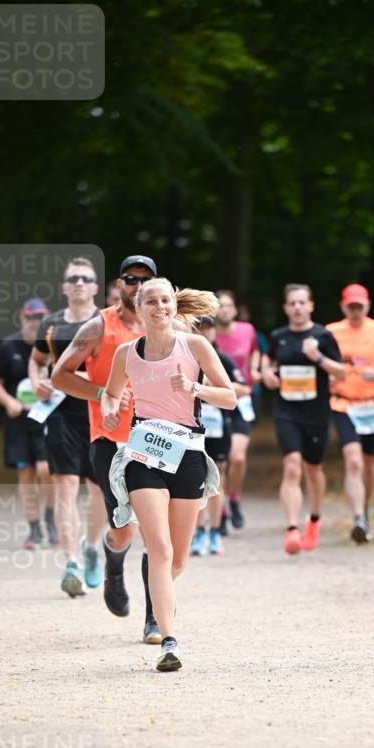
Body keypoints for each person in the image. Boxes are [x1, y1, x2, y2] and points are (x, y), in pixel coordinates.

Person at [101, 279, 236, 672]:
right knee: (158, 549)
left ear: (174, 307)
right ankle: (169, 641)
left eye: (165, 301)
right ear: (138, 310)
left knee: (176, 559)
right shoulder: (126, 353)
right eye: (151, 302)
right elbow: (110, 393)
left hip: (188, 456)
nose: (159, 307)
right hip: (144, 454)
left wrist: (195, 388)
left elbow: (229, 395)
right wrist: (112, 408)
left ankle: (160, 604)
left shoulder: (194, 347)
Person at [51, 255, 162, 644]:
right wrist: (103, 393)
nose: (137, 285)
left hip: (158, 441)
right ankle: (113, 562)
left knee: (155, 530)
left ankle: (154, 618)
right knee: (124, 529)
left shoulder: (168, 325)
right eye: (130, 279)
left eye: (145, 279)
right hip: (110, 441)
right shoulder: (99, 325)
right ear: (119, 285)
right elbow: (60, 374)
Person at [28, 257, 107, 596]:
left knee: (99, 489)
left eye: (85, 278)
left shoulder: (106, 322)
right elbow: (37, 362)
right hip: (60, 415)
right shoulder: (50, 325)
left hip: (99, 413)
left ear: (94, 287)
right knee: (64, 485)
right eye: (72, 278)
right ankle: (71, 561)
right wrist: (37, 382)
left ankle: (91, 547)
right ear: (64, 287)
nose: (78, 282)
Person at [262, 284, 344, 555]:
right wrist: (268, 374)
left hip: (316, 412)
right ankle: (292, 529)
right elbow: (268, 362)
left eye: (302, 303)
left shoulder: (323, 336)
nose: (297, 307)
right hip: (287, 411)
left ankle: (315, 520)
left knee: (313, 469)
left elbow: (342, 372)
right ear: (286, 308)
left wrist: (317, 357)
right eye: (292, 303)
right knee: (293, 467)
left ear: (310, 306)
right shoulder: (279, 336)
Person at [326, 283, 374, 543]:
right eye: (351, 306)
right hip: (343, 403)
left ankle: (365, 510)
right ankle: (358, 517)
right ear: (343, 306)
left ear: (367, 306)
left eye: (360, 306)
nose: (355, 310)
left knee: (370, 465)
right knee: (353, 460)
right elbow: (320, 364)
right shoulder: (331, 331)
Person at [0, 298, 57, 549]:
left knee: (46, 470)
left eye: (41, 318)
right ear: (22, 318)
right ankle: (34, 530)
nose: (36, 322)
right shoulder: (8, 347)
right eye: (32, 318)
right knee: (26, 473)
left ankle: (51, 520)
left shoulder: (53, 346)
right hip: (18, 421)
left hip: (46, 418)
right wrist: (8, 402)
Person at [191, 316, 252, 557]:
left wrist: (208, 386)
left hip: (218, 426)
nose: (204, 333)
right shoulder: (183, 355)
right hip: (191, 425)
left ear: (215, 332)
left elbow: (244, 388)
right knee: (194, 480)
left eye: (208, 328)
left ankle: (214, 531)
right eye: (199, 328)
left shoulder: (221, 359)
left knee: (216, 479)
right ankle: (196, 532)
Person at [214, 291, 261, 531]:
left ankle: (234, 498)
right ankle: (220, 511)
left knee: (238, 457)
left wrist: (254, 368)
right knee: (218, 462)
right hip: (215, 403)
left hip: (241, 401)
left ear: (235, 309)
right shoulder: (206, 334)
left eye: (229, 306)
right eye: (220, 305)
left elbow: (255, 350)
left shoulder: (247, 330)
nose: (225, 310)